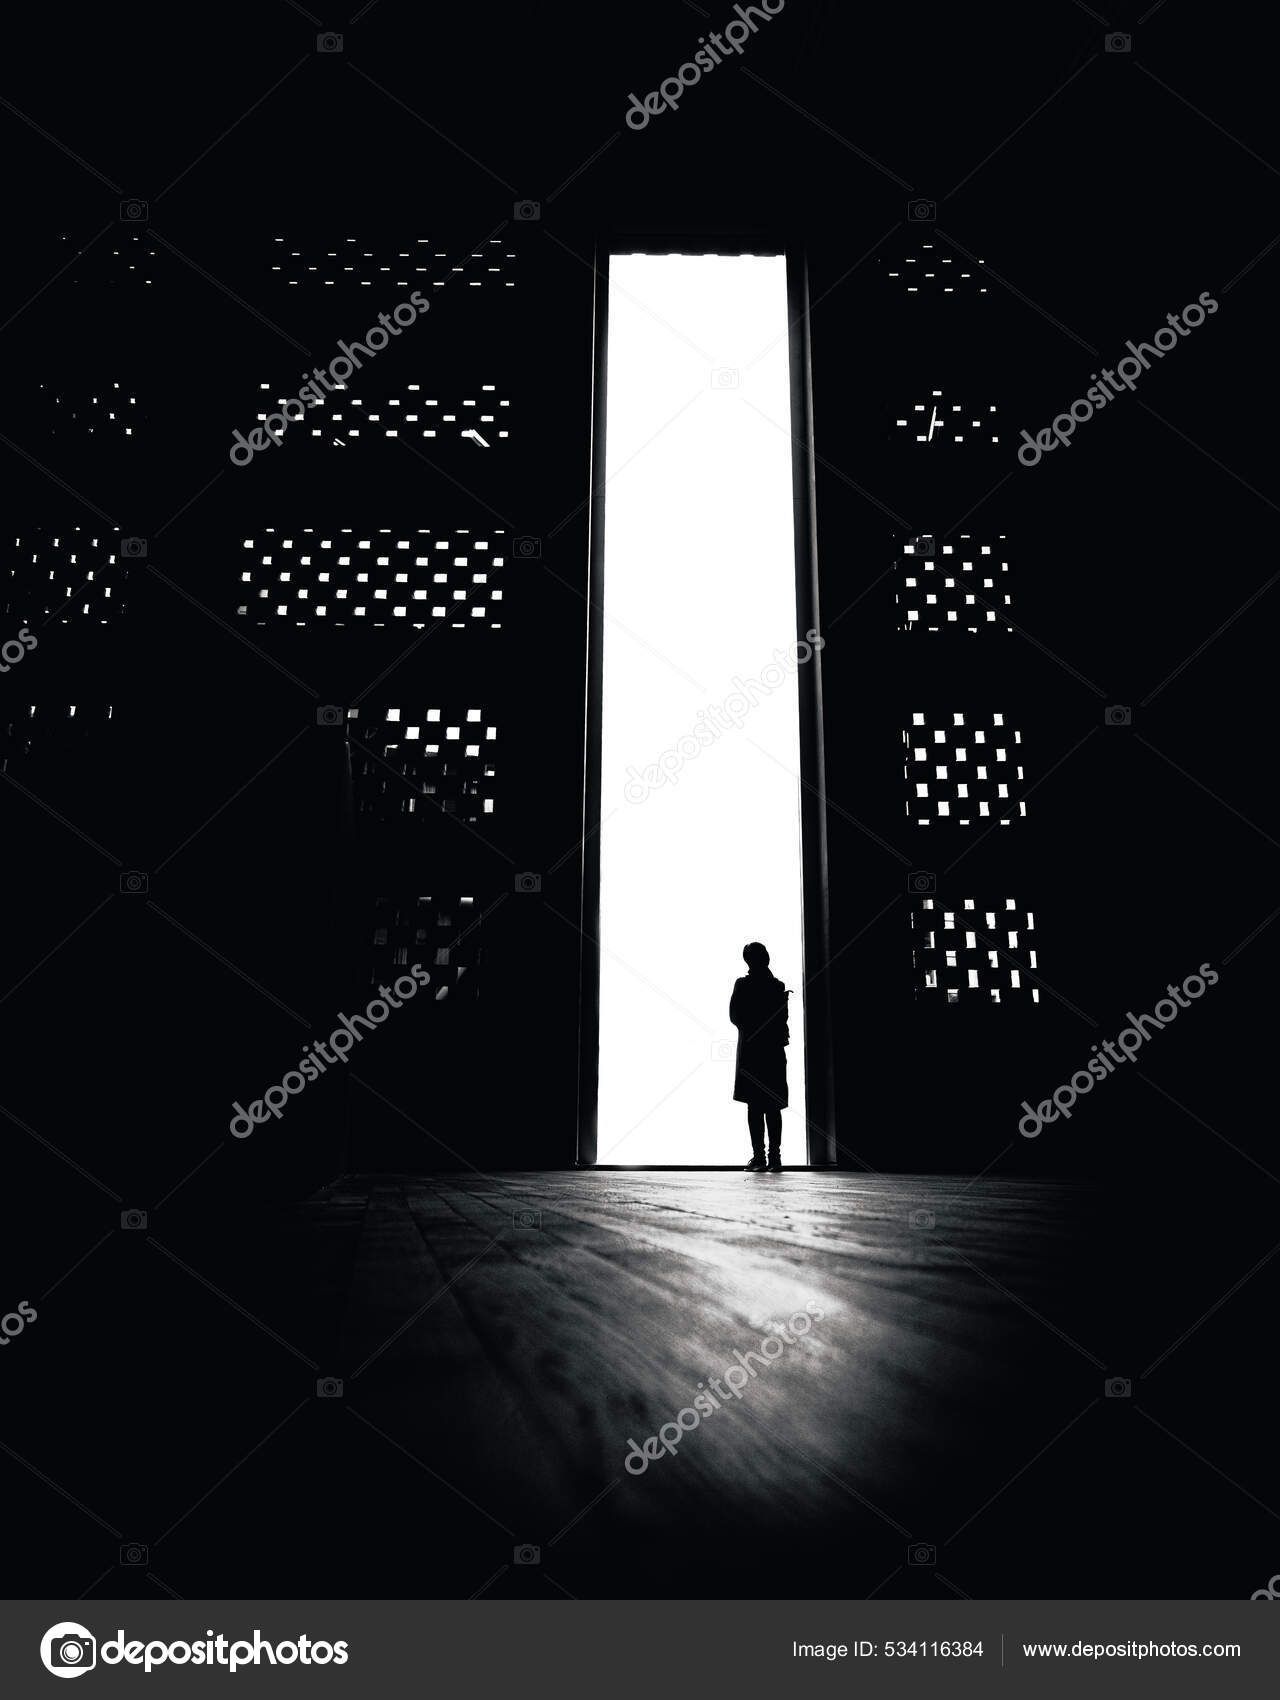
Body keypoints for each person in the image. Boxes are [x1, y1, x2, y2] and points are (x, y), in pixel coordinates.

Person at [729, 942, 789, 1173]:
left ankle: (759, 1157)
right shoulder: (777, 986)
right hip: (773, 1051)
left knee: (754, 1106)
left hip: (751, 1051)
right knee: (773, 1106)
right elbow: (782, 1021)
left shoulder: (742, 985)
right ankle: (775, 1157)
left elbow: (735, 1016)